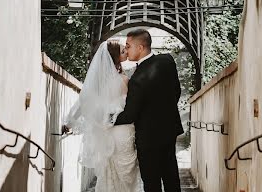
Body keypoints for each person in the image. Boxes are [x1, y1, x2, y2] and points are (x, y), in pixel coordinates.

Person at [62, 39, 142, 192]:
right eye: (122, 51)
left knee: (109, 171)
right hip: (124, 130)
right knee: (126, 172)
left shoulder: (97, 82)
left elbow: (82, 103)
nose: (126, 52)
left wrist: (69, 123)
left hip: (107, 131)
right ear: (115, 57)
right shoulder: (124, 79)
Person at [114, 29, 183, 192]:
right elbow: (177, 91)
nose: (126, 50)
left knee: (151, 182)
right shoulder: (167, 60)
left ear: (140, 48)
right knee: (171, 176)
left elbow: (130, 114)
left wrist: (108, 119)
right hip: (169, 130)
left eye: (128, 46)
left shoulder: (137, 78)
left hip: (148, 138)